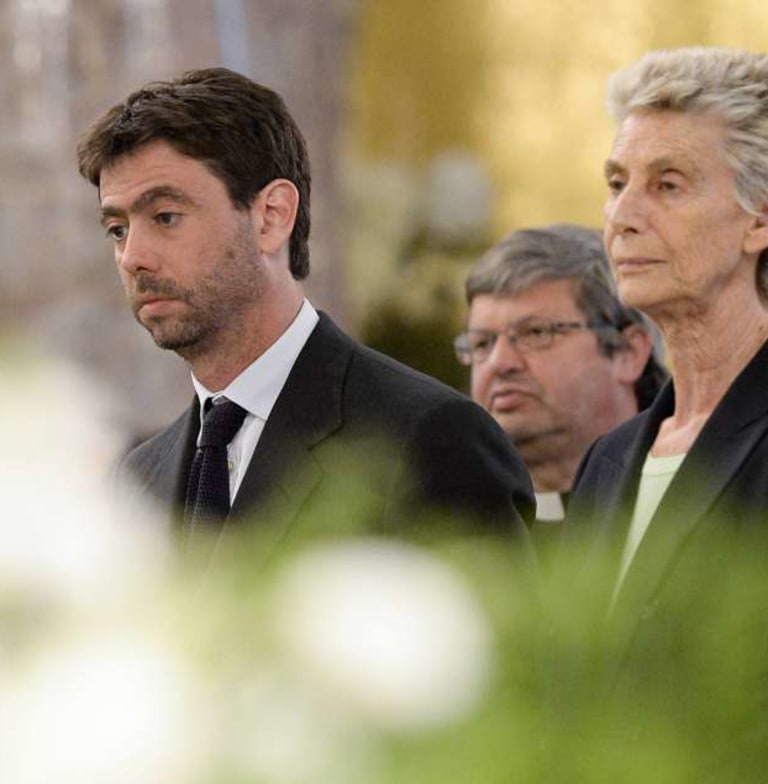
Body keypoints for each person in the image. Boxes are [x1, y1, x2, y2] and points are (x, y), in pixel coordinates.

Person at [76, 68, 534, 561]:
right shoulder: (138, 478)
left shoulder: (428, 438)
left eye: (165, 216)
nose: (132, 257)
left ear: (271, 216)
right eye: (118, 229)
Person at [566, 47, 768, 651]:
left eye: (668, 184)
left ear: (758, 220)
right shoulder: (607, 460)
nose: (621, 217)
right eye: (617, 183)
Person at [455, 225, 665, 533]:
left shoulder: (689, 495)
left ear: (628, 352)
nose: (499, 363)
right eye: (482, 343)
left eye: (536, 332)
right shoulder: (451, 524)